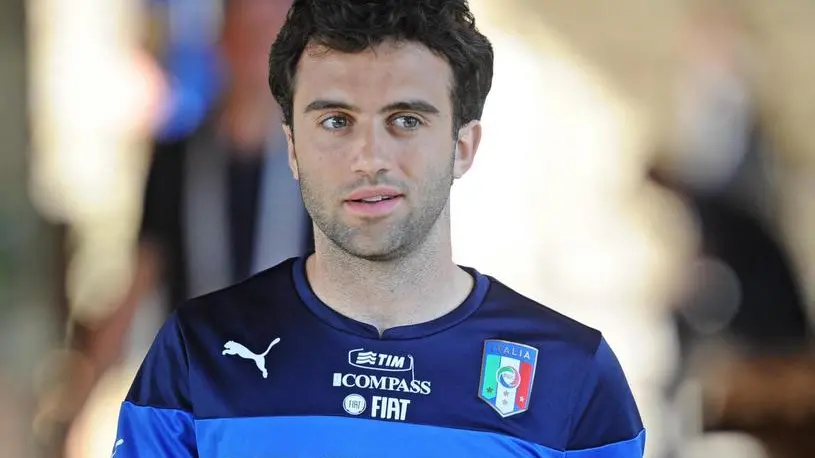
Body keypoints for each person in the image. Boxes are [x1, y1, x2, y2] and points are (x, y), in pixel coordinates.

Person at [111, 1, 645, 456]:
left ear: (463, 147)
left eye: (406, 120)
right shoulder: (195, 355)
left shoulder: (570, 375)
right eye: (336, 121)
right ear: (293, 147)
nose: (369, 158)